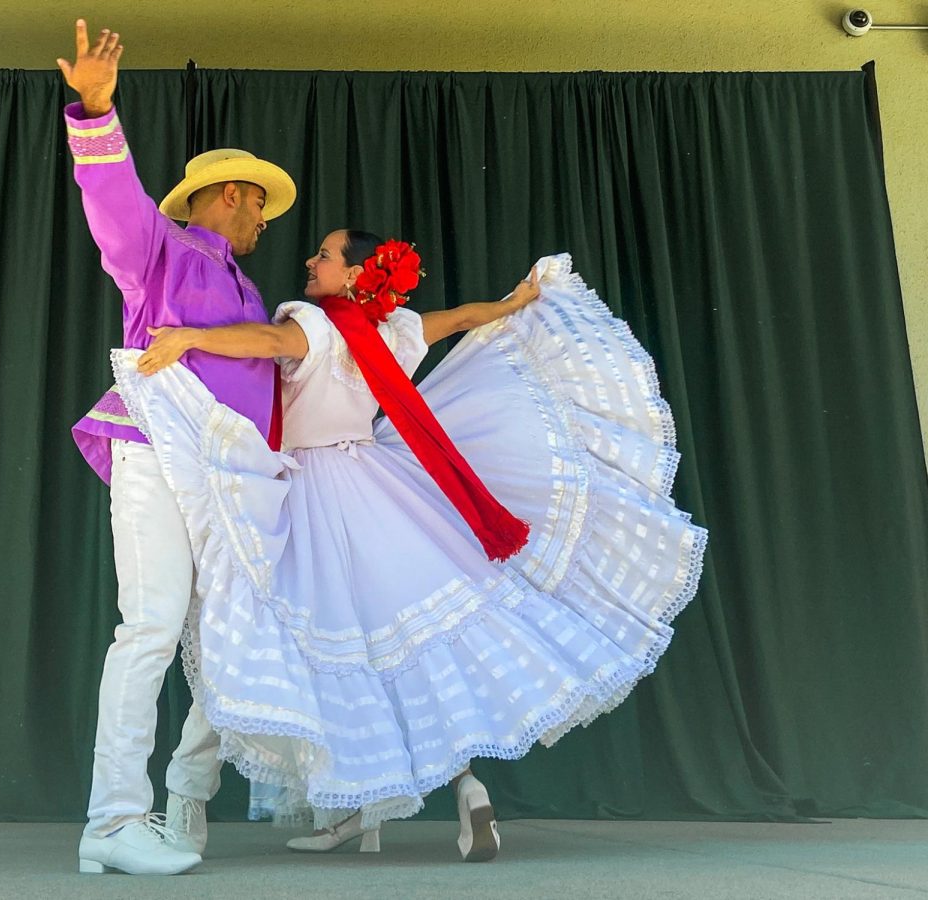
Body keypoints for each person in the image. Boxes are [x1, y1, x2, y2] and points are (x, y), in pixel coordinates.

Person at [125, 230, 709, 861]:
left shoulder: (318, 327)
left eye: (324, 255)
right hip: (378, 487)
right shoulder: (398, 333)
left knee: (284, 638)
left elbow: (266, 343)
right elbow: (462, 318)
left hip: (312, 495)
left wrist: (189, 337)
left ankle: (206, 808)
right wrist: (513, 304)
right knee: (398, 647)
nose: (310, 261)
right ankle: (458, 792)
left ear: (353, 276)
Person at [56, 20, 297, 876]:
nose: (264, 220)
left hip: (226, 475)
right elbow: (114, 212)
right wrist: (95, 112)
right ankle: (113, 822)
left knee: (224, 634)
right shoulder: (162, 253)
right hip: (158, 451)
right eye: (259, 204)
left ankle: (179, 801)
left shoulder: (245, 286)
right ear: (230, 195)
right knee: (151, 627)